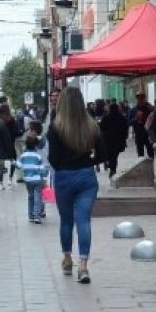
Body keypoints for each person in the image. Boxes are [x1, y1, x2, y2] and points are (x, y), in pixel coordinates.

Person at [47, 86, 107, 284]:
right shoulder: (91, 126)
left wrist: (65, 165)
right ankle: (83, 265)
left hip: (64, 177)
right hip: (86, 178)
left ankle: (67, 259)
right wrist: (87, 162)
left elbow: (53, 159)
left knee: (66, 221)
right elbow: (103, 155)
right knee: (84, 220)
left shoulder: (56, 127)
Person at [19, 134, 47, 223]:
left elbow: (19, 165)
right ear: (36, 145)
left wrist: (14, 163)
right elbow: (42, 170)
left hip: (28, 180)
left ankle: (30, 216)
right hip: (37, 180)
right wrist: (44, 177)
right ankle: (37, 216)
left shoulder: (23, 155)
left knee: (30, 197)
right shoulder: (38, 156)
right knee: (38, 197)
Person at [99, 102, 129, 178]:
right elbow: (126, 128)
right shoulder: (122, 118)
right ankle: (113, 168)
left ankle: (111, 166)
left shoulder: (106, 117)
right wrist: (124, 138)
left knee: (110, 153)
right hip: (119, 140)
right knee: (115, 155)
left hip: (108, 140)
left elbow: (101, 128)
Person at [129, 92, 154, 158]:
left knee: (151, 152)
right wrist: (135, 119)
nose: (140, 100)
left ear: (144, 99)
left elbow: (155, 120)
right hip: (138, 134)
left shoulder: (149, 109)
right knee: (140, 154)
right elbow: (129, 122)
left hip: (148, 134)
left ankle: (151, 162)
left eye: (142, 98)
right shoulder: (133, 110)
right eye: (139, 98)